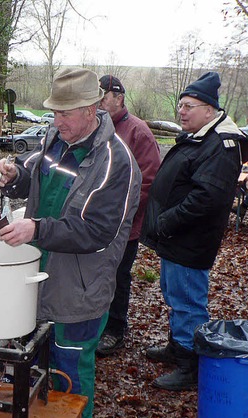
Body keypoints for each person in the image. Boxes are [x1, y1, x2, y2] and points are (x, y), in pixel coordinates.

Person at [0, 67, 142, 418]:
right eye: (54, 112)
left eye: (64, 113)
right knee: (41, 367)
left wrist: (36, 229)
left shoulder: (115, 162)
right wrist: (14, 175)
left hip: (80, 287)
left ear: (90, 110)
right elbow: (31, 174)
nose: (56, 120)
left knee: (71, 374)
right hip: (38, 276)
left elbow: (96, 232)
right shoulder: (55, 138)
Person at [141, 72, 248, 391]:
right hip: (177, 237)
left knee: (188, 302)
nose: (181, 111)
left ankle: (189, 364)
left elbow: (206, 198)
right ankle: (176, 346)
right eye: (180, 104)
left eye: (189, 105)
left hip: (188, 239)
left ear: (209, 109)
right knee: (174, 294)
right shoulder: (201, 136)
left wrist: (166, 221)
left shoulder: (220, 146)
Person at [95, 75, 161, 356]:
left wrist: (121, 212)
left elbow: (150, 181)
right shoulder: (96, 127)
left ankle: (115, 330)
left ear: (118, 97)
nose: (98, 102)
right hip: (93, 223)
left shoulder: (138, 132)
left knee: (118, 276)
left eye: (103, 96)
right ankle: (97, 324)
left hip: (125, 226)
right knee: (96, 275)